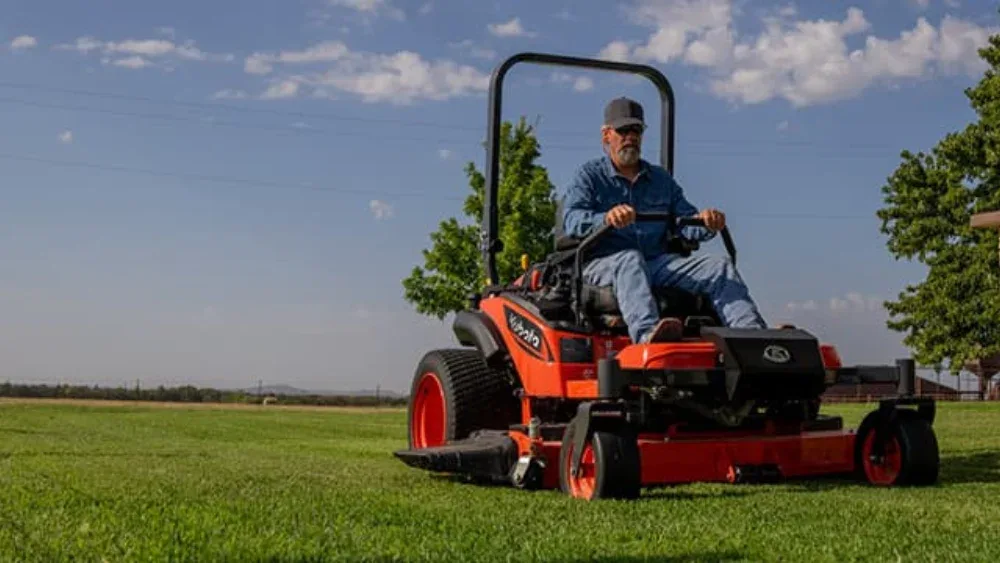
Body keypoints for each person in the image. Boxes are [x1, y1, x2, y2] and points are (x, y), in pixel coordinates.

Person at [556, 97, 767, 343]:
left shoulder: (660, 180)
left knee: (718, 267)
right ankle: (648, 336)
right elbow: (573, 219)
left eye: (636, 130)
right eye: (623, 130)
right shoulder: (589, 176)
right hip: (603, 264)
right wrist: (607, 218)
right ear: (606, 135)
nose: (630, 137)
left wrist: (707, 222)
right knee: (629, 259)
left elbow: (686, 222)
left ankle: (752, 336)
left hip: (655, 263)